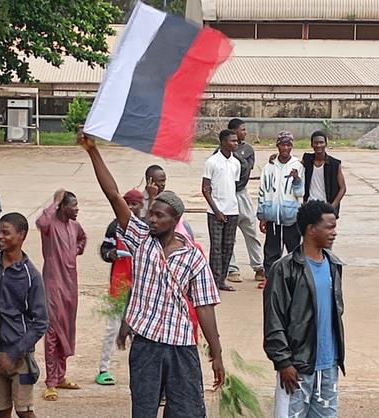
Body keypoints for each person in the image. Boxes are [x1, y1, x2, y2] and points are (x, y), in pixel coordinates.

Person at [78, 130, 225, 417]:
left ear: (175, 220)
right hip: (146, 344)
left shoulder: (193, 256)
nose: (152, 219)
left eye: (160, 216)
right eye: (151, 213)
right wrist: (92, 150)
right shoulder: (140, 238)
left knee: (187, 411)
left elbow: (205, 307)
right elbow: (112, 194)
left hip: (181, 346)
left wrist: (216, 352)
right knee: (144, 410)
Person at [263, 200, 345, 418]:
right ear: (310, 230)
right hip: (297, 369)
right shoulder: (284, 269)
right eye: (329, 227)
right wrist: (283, 362)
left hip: (328, 367)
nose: (334, 233)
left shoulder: (334, 265)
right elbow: (274, 320)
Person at [0, 212, 48, 418]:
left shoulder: (31, 276)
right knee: (1, 409)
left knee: (24, 411)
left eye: (6, 233)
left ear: (21, 235)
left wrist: (15, 353)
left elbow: (40, 323)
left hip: (20, 357)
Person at [36, 189, 86, 401]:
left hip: (71, 284)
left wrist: (76, 249)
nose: (77, 209)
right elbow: (41, 222)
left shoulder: (74, 226)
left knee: (66, 328)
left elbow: (83, 239)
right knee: (53, 331)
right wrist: (54, 201)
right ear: (62, 207)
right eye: (73, 205)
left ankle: (61, 375)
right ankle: (50, 381)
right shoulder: (51, 226)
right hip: (53, 284)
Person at [96, 189, 143, 386]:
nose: (131, 208)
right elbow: (104, 250)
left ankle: (141, 371)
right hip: (119, 284)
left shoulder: (145, 227)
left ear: (141, 206)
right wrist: (111, 254)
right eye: (128, 204)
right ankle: (104, 368)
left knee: (138, 330)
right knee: (112, 327)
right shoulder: (114, 227)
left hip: (141, 287)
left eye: (135, 204)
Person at [257, 131, 305, 289]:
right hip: (272, 215)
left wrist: (297, 179)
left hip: (291, 214)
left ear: (292, 146)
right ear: (277, 146)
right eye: (283, 144)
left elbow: (300, 193)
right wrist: (262, 216)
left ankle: (296, 277)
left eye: (288, 145)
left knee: (293, 247)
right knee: (271, 248)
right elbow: (263, 191)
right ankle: (270, 278)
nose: (286, 148)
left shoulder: (298, 166)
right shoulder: (269, 167)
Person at [222, 119, 264, 284]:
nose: (245, 132)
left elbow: (246, 170)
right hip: (227, 195)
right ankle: (232, 269)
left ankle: (258, 266)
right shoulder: (220, 153)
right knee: (229, 234)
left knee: (250, 230)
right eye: (242, 129)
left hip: (241, 193)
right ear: (232, 131)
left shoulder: (247, 150)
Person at [202, 129, 241, 292]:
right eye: (232, 141)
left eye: (236, 141)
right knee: (216, 247)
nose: (236, 143)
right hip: (215, 211)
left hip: (232, 210)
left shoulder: (236, 163)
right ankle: (214, 281)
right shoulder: (212, 162)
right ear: (223, 142)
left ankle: (222, 280)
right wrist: (216, 210)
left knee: (228, 246)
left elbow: (234, 185)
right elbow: (205, 189)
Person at [302, 131, 346, 216]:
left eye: (321, 142)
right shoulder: (307, 159)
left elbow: (343, 188)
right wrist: (275, 158)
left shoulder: (335, 164)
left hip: (326, 207)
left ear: (326, 144)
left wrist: (333, 206)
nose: (318, 145)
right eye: (316, 143)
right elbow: (291, 163)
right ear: (311, 145)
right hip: (309, 206)